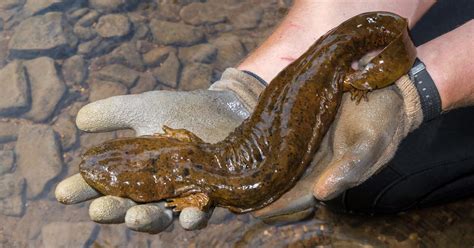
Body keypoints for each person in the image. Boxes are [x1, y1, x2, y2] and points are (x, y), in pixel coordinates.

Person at [55, 0, 474, 233]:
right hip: (304, 95)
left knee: (378, 187)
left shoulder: (191, 182)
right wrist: (256, 79)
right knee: (331, 70)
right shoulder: (186, 156)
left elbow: (198, 193)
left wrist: (418, 90)